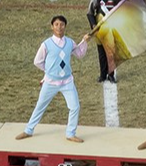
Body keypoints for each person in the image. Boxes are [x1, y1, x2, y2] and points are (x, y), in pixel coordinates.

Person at [17, 15, 91, 144]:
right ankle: (28, 130)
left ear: (65, 27)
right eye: (56, 24)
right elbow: (37, 61)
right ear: (52, 27)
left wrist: (84, 42)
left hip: (67, 82)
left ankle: (70, 133)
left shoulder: (69, 42)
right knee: (40, 105)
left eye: (62, 24)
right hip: (50, 82)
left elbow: (79, 54)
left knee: (75, 107)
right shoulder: (46, 44)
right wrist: (49, 71)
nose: (59, 27)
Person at [88, 0, 123, 83]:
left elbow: (122, 12)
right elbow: (90, 13)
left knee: (111, 52)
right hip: (100, 27)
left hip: (112, 26)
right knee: (101, 52)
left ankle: (111, 74)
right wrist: (94, 25)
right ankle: (103, 74)